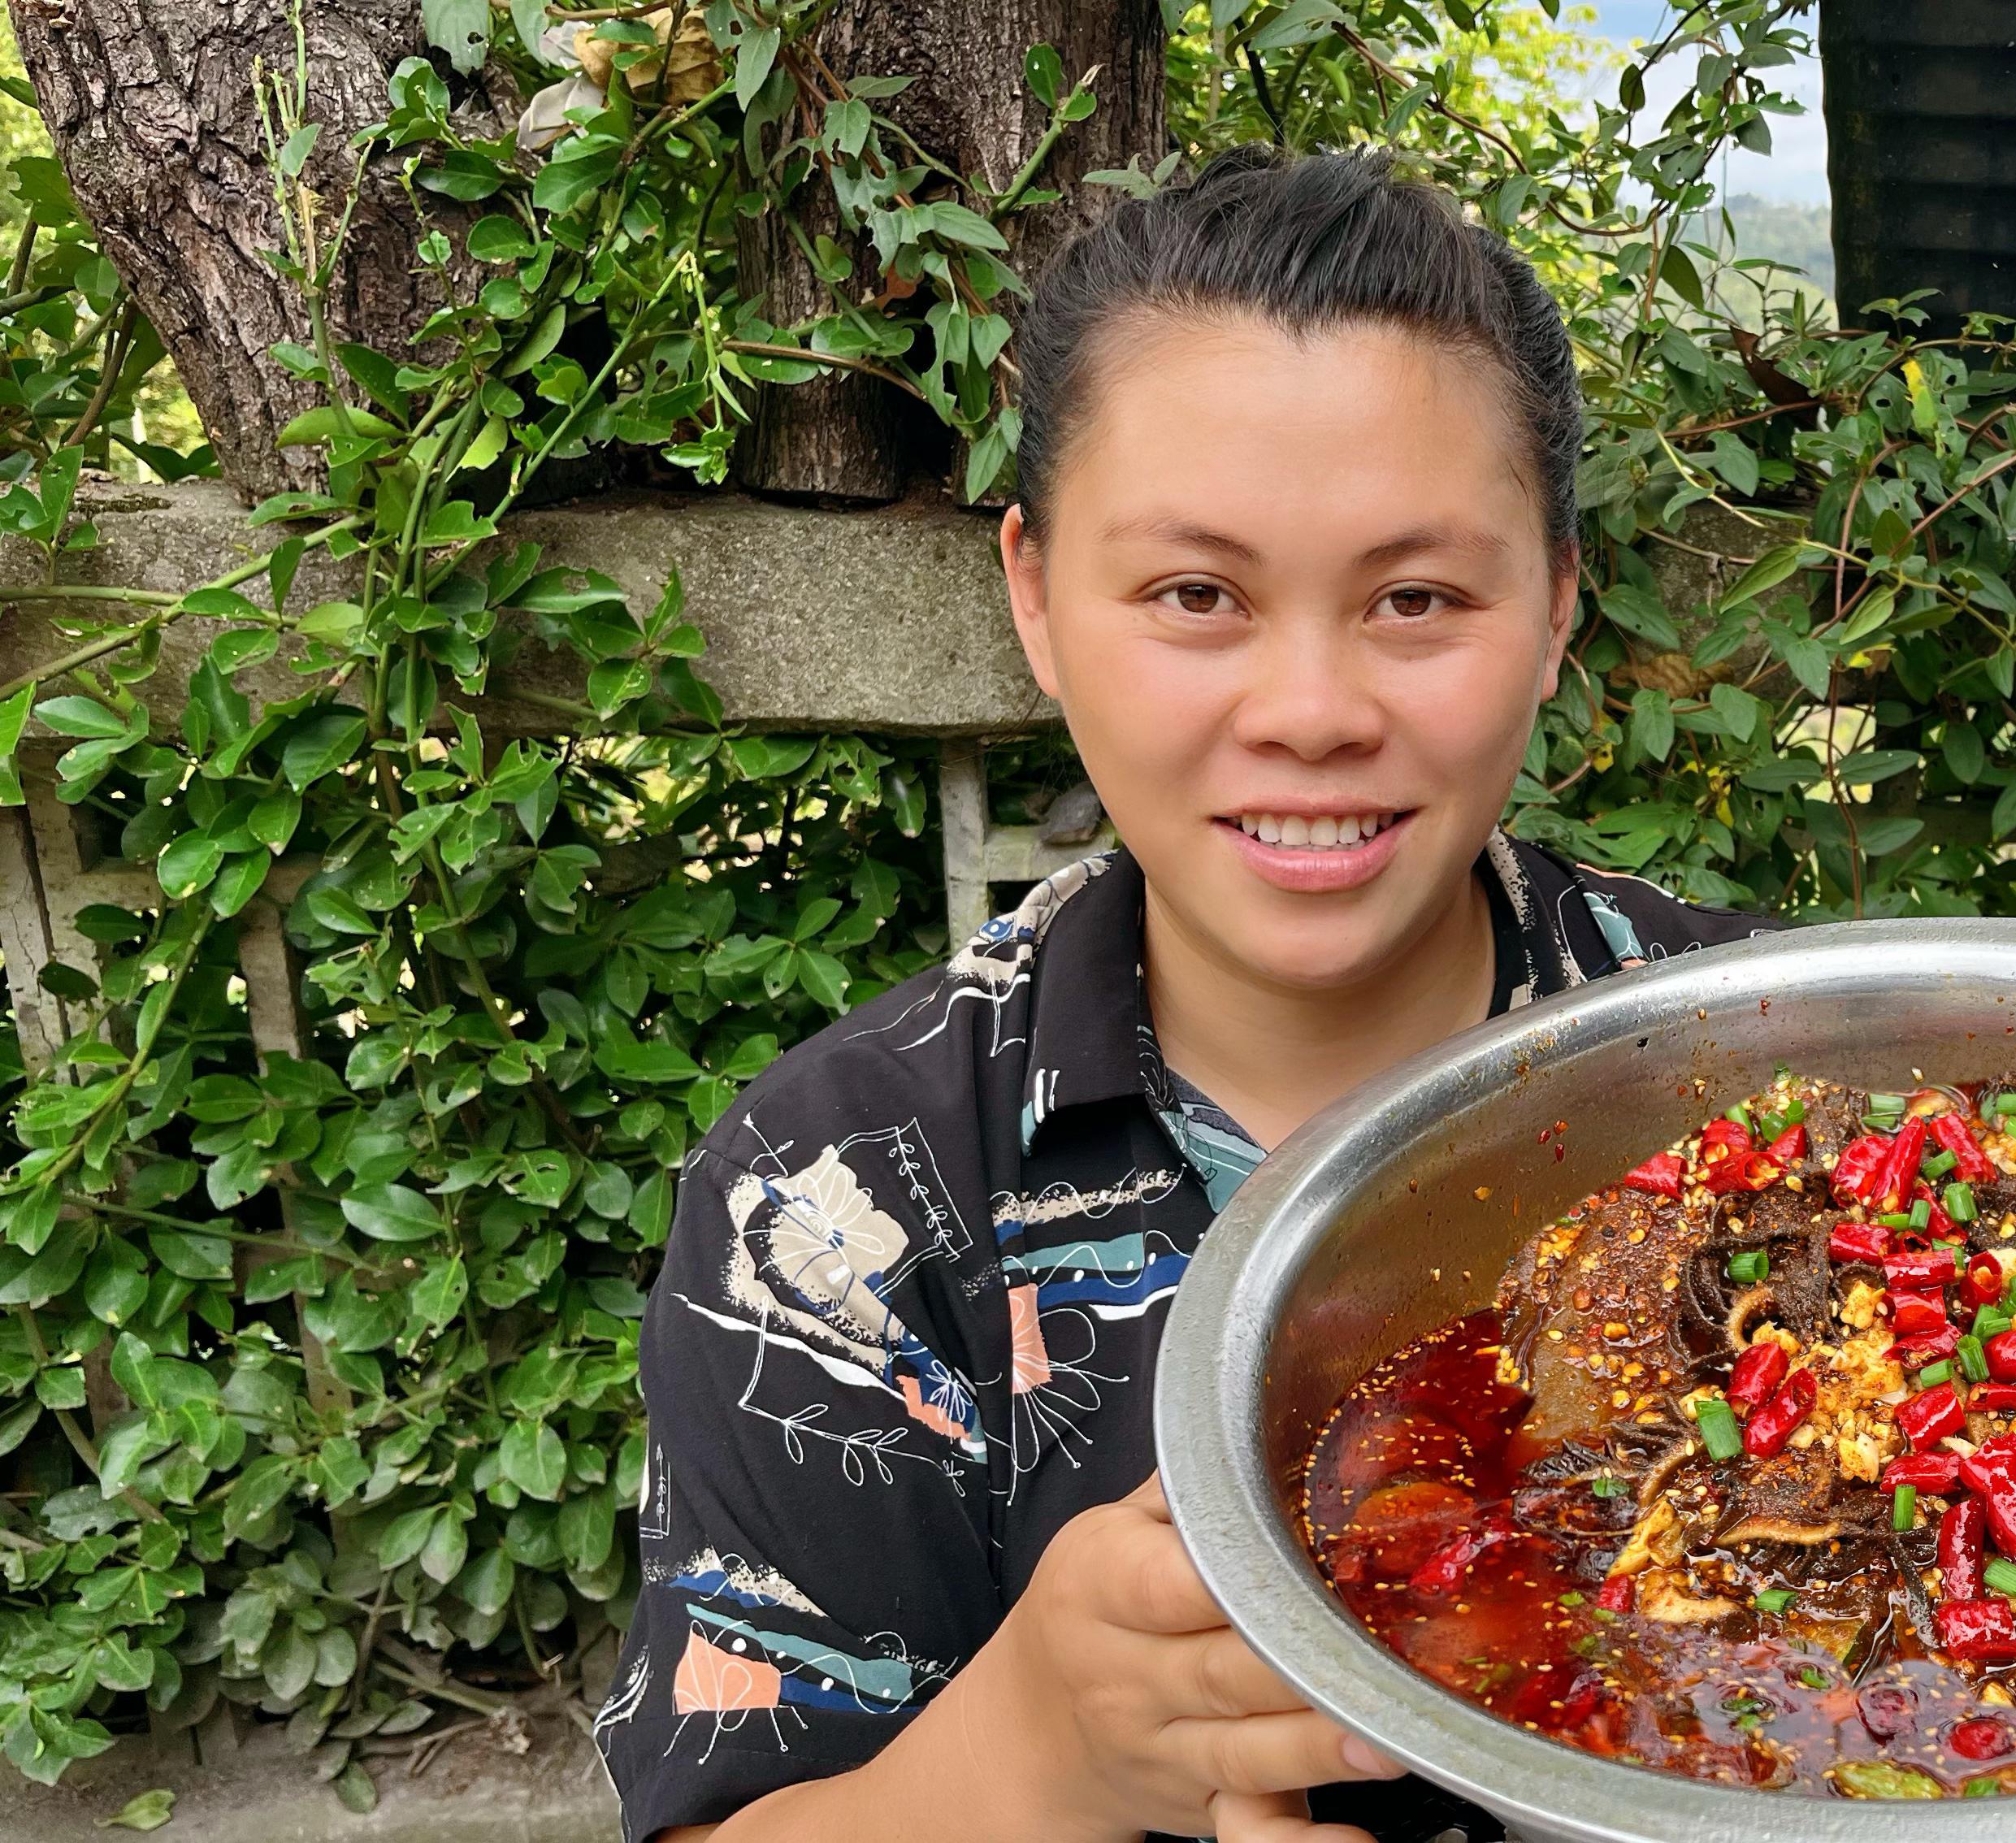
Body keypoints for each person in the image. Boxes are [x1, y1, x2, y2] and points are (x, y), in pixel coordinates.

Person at [592, 146, 1768, 1843]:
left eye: (1417, 598)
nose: (1311, 709)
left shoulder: (1767, 1075)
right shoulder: (844, 1196)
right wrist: (1045, 1746)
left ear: (1559, 605)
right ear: (1037, 599)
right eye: (1196, 595)